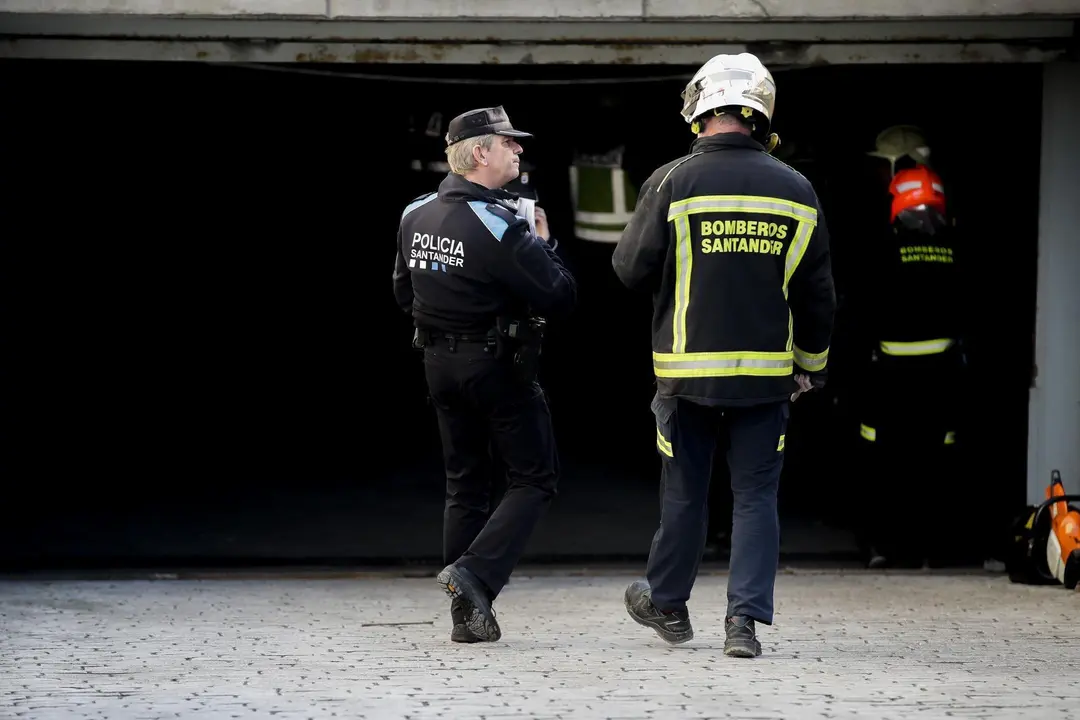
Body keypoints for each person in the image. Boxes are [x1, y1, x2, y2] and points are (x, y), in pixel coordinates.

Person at [611, 52, 836, 657]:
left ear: (701, 110)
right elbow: (818, 296)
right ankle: (744, 624)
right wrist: (809, 366)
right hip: (766, 378)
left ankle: (667, 604)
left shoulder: (670, 181)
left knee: (685, 491)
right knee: (756, 495)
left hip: (685, 376)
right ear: (759, 114)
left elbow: (629, 270)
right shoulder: (796, 188)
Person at [392, 105, 577, 643]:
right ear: (480, 153)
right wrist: (543, 243)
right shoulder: (500, 222)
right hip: (495, 366)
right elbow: (560, 295)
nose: (519, 150)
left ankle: (468, 618)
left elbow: (404, 291)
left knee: (465, 485)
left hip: (437, 363)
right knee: (534, 477)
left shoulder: (415, 212)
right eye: (509, 143)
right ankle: (474, 574)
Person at [854, 131, 967, 568]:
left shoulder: (882, 245)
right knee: (934, 463)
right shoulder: (954, 245)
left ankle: (884, 546)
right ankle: (929, 549)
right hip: (941, 375)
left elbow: (861, 309)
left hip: (887, 376)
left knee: (884, 463)